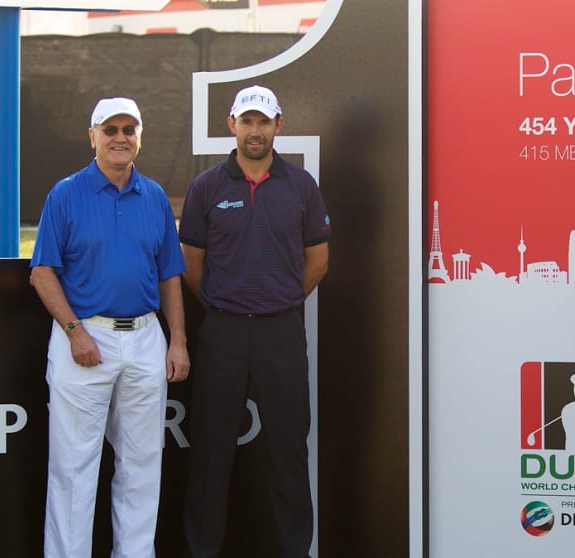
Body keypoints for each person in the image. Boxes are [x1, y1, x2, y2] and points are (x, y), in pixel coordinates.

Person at [30, 97, 190, 557]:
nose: (120, 137)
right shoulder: (66, 194)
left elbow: (169, 276)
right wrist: (75, 331)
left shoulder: (155, 196)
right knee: (74, 469)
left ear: (139, 136)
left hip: (145, 338)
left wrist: (176, 340)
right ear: (93, 137)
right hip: (84, 338)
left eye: (129, 129)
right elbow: (42, 272)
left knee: (142, 467)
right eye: (110, 129)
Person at [180, 84, 331, 557]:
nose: (255, 130)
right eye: (247, 121)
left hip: (280, 332)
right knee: (210, 454)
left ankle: (294, 551)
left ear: (278, 126)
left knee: (288, 452)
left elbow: (318, 261)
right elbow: (191, 262)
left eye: (263, 122)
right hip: (222, 332)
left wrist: (278, 299)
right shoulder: (207, 186)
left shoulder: (301, 186)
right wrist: (226, 305)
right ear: (232, 126)